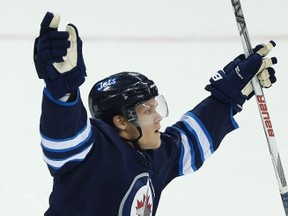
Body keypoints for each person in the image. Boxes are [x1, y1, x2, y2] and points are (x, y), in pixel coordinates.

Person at [33, 12, 277, 216]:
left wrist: (227, 97)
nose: (158, 117)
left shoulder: (153, 155)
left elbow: (190, 140)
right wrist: (62, 91)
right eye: (147, 110)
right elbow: (64, 140)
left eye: (155, 106)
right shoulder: (94, 151)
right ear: (121, 121)